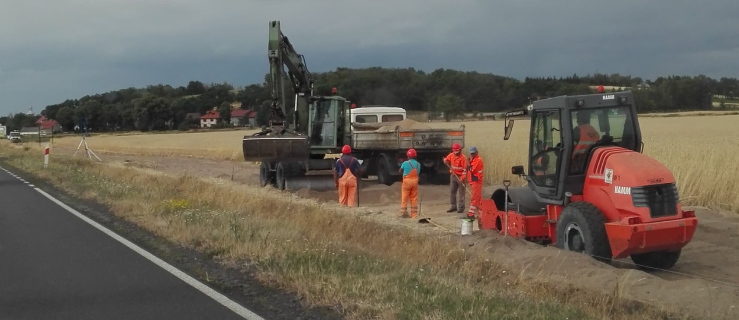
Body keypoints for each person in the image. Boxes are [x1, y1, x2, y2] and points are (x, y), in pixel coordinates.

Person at [443, 143, 467, 213]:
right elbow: (446, 159)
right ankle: (453, 206)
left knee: (461, 193)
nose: (456, 152)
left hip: (461, 177)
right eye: (455, 151)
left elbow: (465, 170)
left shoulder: (464, 158)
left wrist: (462, 178)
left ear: (460, 150)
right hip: (453, 175)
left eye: (457, 151)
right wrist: (445, 161)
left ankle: (461, 207)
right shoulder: (451, 155)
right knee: (452, 192)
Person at [399, 148, 421, 218]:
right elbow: (418, 173)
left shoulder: (405, 163)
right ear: (415, 156)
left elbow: (400, 171)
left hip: (407, 182)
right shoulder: (418, 164)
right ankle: (414, 215)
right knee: (414, 198)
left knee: (404, 198)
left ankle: (403, 213)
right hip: (415, 182)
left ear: (408, 156)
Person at [466, 146, 484, 220]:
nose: (472, 155)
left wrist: (467, 162)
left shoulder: (478, 160)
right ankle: (483, 213)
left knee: (474, 198)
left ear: (477, 152)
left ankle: (471, 214)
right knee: (479, 198)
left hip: (476, 181)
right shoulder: (473, 159)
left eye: (473, 153)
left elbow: (472, 170)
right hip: (473, 181)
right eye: (471, 154)